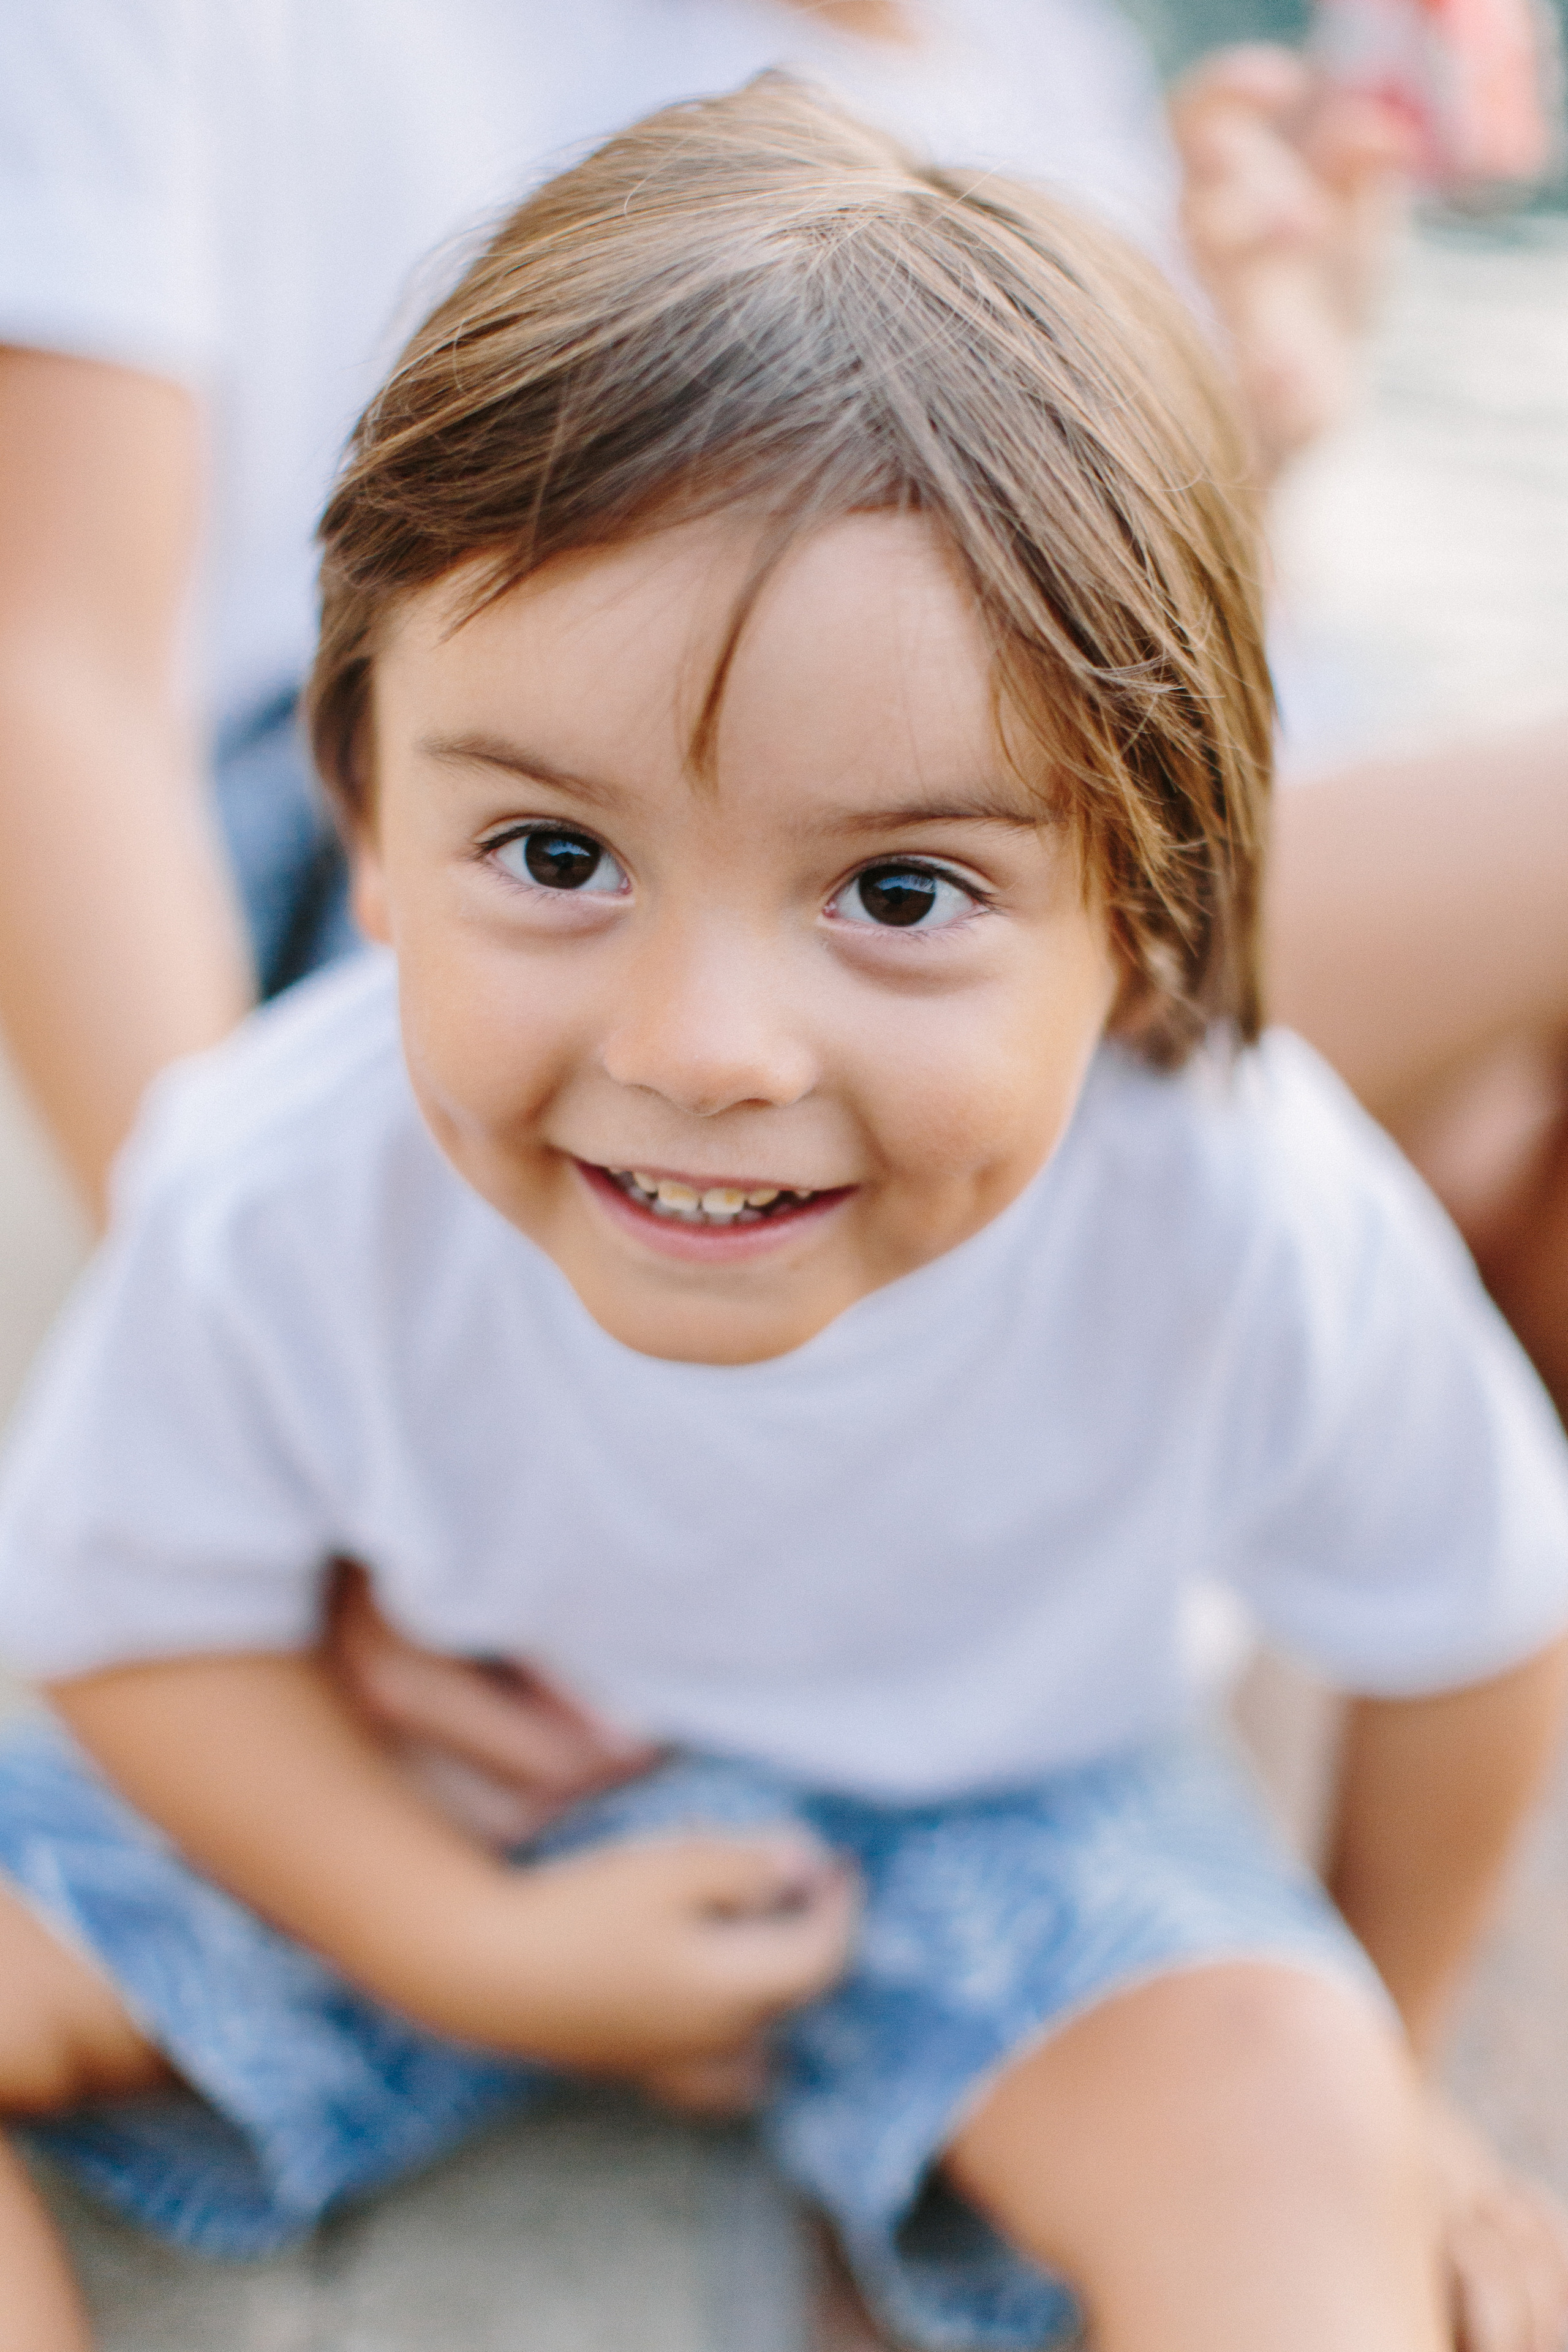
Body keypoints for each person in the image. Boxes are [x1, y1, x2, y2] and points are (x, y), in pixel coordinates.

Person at [1, 81, 1567, 2352]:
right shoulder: (272, 1174)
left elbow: (1473, 1618)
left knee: (1293, 2134)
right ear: (361, 820)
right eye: (556, 858)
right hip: (413, 1781)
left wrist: (1384, 2047)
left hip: (1006, 1821)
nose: (706, 1044)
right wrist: (467, 1940)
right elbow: (140, 1636)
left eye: (903, 890)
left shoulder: (1233, 1199)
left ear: (1143, 914)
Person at [0, 0, 1407, 1218]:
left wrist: (1248, 447)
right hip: (384, 878)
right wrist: (243, 1294)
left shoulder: (1043, 64)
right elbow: (50, 668)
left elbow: (1127, 706)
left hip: (954, 874)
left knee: (1517, 1133)